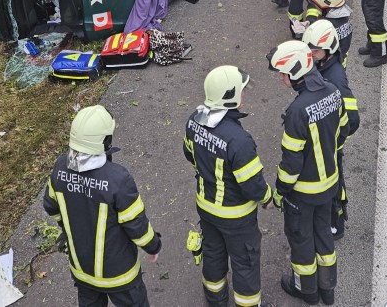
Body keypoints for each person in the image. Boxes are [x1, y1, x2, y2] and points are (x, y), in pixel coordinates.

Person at [43, 106, 162, 306]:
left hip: (83, 273)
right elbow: (136, 225)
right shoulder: (118, 179)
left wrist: (69, 227)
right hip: (120, 276)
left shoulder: (60, 168)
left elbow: (51, 206)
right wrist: (153, 245)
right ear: (105, 141)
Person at [183, 67, 272, 307]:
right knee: (245, 263)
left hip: (206, 207)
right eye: (241, 91)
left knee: (213, 254)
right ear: (232, 97)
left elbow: (189, 154)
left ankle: (215, 300)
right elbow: (252, 185)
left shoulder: (194, 120)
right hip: (237, 218)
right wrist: (267, 197)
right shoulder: (239, 141)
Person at [268, 40, 343, 306]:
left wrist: (279, 191)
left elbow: (291, 165)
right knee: (323, 234)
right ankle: (328, 289)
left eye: (282, 73)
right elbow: (343, 128)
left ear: (296, 74)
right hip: (329, 185)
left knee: (301, 242)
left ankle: (306, 290)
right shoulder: (333, 91)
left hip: (302, 193)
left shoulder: (297, 112)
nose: (280, 78)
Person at [302, 20, 359, 240]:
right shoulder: (324, 63)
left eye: (315, 50)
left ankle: (336, 224)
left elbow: (352, 118)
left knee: (335, 184)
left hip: (330, 144)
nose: (311, 53)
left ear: (328, 49)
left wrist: (334, 138)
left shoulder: (335, 77)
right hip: (324, 139)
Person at [301, 0, 354, 66]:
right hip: (340, 62)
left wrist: (303, 33)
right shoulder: (342, 16)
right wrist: (310, 20)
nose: (315, 7)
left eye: (316, 5)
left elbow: (314, 46)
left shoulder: (327, 26)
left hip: (327, 66)